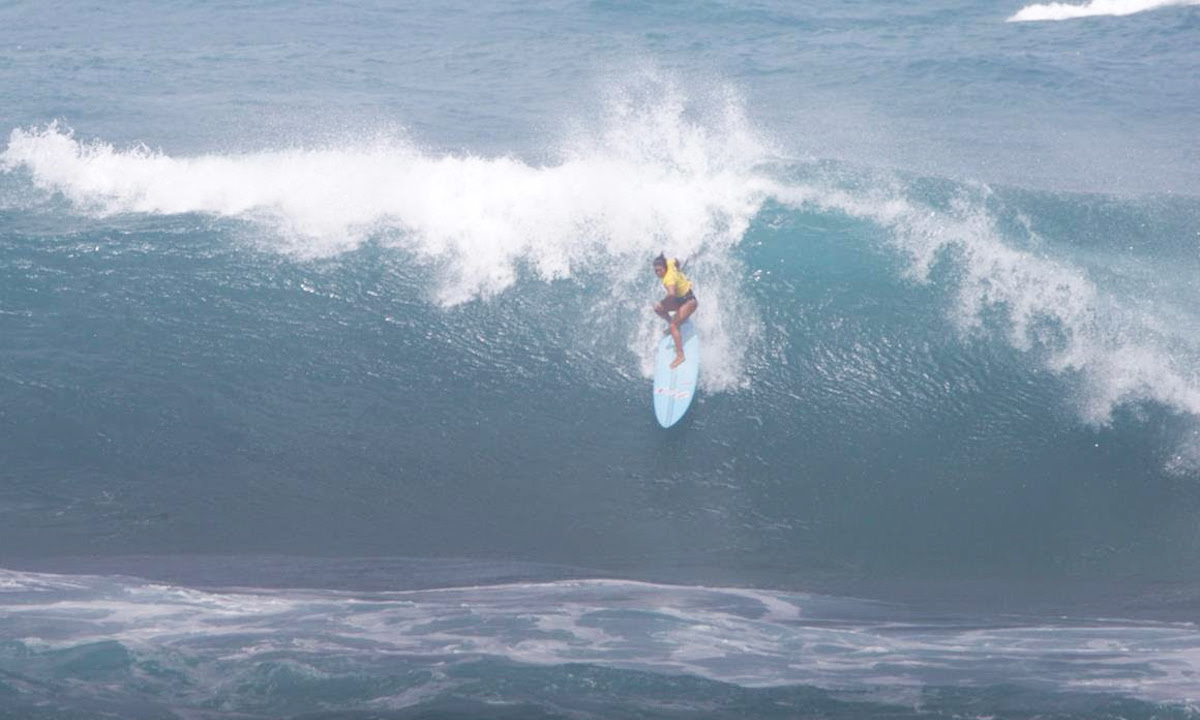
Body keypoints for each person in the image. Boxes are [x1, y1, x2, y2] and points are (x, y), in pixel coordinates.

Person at [652, 253, 698, 369]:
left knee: (672, 325)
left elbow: (671, 294)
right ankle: (676, 325)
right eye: (656, 271)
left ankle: (680, 355)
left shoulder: (668, 280)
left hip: (689, 302)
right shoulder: (669, 263)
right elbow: (676, 261)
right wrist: (679, 272)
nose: (658, 273)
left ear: (664, 268)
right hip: (681, 300)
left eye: (659, 270)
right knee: (658, 309)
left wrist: (662, 302)